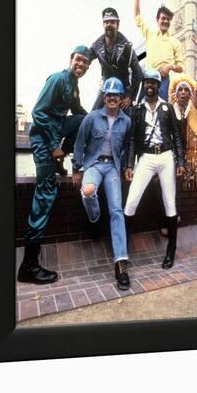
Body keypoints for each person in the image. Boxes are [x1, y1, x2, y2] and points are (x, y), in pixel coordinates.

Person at [17, 46, 91, 284]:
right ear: (71, 59)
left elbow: (79, 114)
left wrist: (98, 118)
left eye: (85, 63)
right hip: (41, 139)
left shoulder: (74, 85)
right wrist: (53, 147)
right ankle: (28, 265)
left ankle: (58, 160)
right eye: (78, 60)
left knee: (85, 120)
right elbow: (38, 112)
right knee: (46, 193)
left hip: (54, 135)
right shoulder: (58, 79)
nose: (81, 65)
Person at [72, 77, 132, 290]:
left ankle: (121, 264)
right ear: (104, 97)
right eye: (108, 94)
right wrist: (76, 169)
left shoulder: (126, 121)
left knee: (117, 209)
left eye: (116, 95)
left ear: (120, 97)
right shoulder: (92, 118)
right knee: (88, 192)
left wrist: (127, 167)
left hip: (113, 168)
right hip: (94, 166)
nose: (112, 98)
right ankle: (95, 218)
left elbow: (127, 147)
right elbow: (79, 144)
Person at [124, 69, 185, 269]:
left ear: (159, 86)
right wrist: (130, 165)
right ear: (144, 85)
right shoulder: (137, 110)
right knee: (131, 201)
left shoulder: (167, 107)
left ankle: (171, 252)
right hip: (146, 157)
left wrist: (180, 163)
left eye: (154, 83)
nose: (150, 86)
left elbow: (177, 136)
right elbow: (132, 139)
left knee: (170, 203)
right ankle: (123, 251)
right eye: (147, 83)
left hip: (166, 156)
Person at [169, 27, 197, 272]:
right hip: (184, 159)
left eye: (187, 88)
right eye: (180, 90)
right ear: (176, 95)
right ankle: (167, 220)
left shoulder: (196, 105)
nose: (185, 91)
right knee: (161, 182)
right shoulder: (174, 113)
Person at [134, 0, 184, 101]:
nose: (165, 21)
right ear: (157, 20)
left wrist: (169, 67)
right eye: (163, 18)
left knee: (161, 110)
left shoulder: (175, 42)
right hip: (147, 78)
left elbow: (181, 67)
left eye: (168, 19)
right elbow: (137, 15)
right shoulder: (149, 35)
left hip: (163, 80)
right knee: (141, 107)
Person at [89, 7, 142, 111]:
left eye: (112, 22)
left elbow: (138, 73)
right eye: (106, 22)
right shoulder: (96, 46)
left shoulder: (127, 47)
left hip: (123, 89)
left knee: (128, 119)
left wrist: (130, 96)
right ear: (103, 25)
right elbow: (84, 59)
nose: (109, 25)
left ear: (118, 25)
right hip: (105, 87)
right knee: (93, 114)